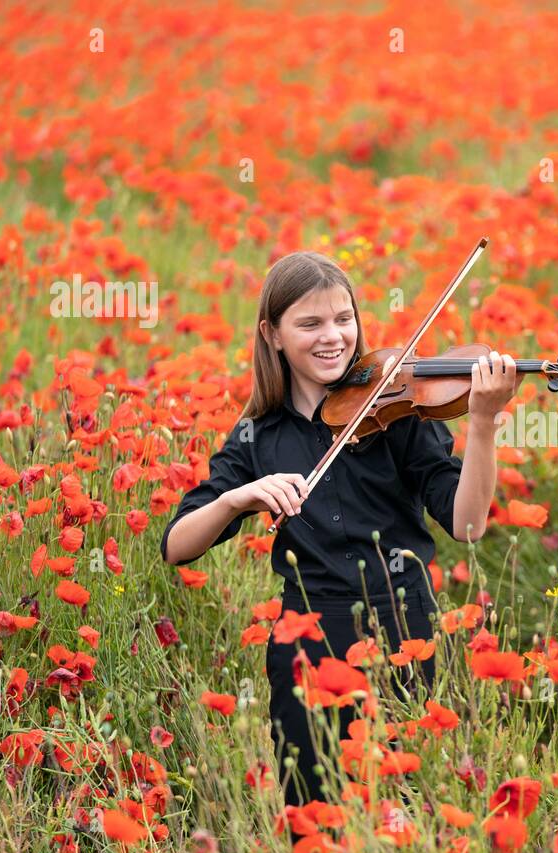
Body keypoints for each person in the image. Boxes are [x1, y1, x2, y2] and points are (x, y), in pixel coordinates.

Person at [161, 251, 518, 808]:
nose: (334, 337)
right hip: (308, 636)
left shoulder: (395, 409)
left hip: (406, 625)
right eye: (310, 324)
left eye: (343, 319)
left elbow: (467, 524)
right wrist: (237, 498)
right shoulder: (259, 433)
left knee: (407, 806)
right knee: (315, 807)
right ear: (272, 334)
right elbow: (177, 546)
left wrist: (481, 423)